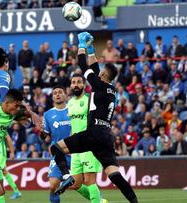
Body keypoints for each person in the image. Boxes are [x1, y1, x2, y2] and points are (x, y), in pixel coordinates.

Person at [50, 32, 138, 203]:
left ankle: (67, 176)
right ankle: (134, 201)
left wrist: (82, 45)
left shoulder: (99, 85)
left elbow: (83, 66)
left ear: (104, 76)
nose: (98, 74)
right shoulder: (110, 89)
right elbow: (95, 69)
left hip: (94, 133)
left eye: (101, 73)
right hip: (106, 137)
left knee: (56, 149)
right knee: (114, 174)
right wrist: (91, 50)